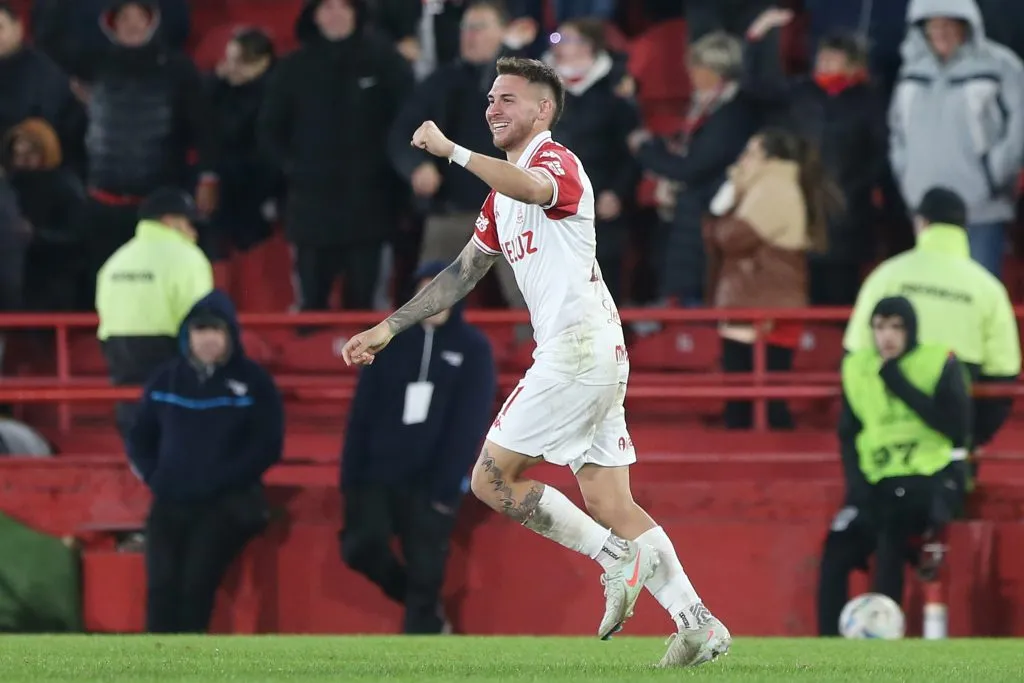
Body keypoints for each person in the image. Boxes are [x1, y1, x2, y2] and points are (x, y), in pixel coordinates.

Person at [341, 56, 730, 668]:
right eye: (490, 98)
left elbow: (534, 189)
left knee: (489, 481)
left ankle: (614, 560)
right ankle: (696, 622)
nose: (492, 107)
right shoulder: (501, 198)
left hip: (576, 351)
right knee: (610, 503)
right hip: (594, 352)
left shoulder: (554, 163)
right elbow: (464, 271)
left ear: (543, 109)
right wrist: (391, 325)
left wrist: (453, 152)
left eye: (508, 99)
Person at [340, 261, 496, 634]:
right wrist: (350, 477)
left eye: (442, 290)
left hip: (432, 480)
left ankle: (422, 636)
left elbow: (469, 422)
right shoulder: (389, 343)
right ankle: (423, 608)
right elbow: (362, 412)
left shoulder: (473, 348)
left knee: (427, 567)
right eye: (426, 290)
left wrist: (446, 485)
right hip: (379, 473)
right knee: (360, 546)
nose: (434, 299)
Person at [127, 289, 284, 633]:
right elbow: (139, 436)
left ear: (230, 334)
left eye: (216, 330)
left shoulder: (254, 382)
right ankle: (154, 663)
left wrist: (222, 479)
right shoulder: (164, 379)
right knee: (161, 584)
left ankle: (189, 659)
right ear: (188, 335)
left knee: (194, 584)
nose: (208, 339)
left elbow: (268, 444)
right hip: (170, 498)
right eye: (200, 330)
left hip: (224, 503)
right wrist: (155, 476)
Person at [818, 296, 970, 634]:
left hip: (929, 478)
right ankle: (826, 642)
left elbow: (956, 428)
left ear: (910, 330)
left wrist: (897, 382)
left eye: (896, 327)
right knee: (838, 541)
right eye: (880, 327)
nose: (887, 336)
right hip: (876, 483)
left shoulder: (937, 361)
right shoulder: (857, 368)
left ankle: (885, 633)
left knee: (893, 524)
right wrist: (857, 492)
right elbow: (848, 435)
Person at [844, 187, 1020, 472]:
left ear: (921, 223)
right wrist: (969, 438)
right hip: (952, 428)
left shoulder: (886, 276)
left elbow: (854, 356)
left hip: (885, 440)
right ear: (964, 228)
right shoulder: (987, 288)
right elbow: (1004, 371)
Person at [704, 127, 839, 430]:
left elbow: (732, 237)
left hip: (764, 304)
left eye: (751, 152)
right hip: (757, 298)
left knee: (759, 399)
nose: (742, 160)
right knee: (747, 394)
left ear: (770, 157)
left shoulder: (774, 188)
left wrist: (728, 201)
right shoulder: (767, 186)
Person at [889, 0, 1024, 278]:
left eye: (948, 23)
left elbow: (1020, 123)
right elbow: (897, 129)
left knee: (977, 294)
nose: (941, 32)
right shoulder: (910, 70)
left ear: (967, 25)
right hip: (925, 208)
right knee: (934, 296)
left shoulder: (1001, 65)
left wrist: (994, 173)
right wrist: (908, 177)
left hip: (981, 209)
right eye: (933, 25)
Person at [96, 187, 213, 443]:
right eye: (189, 224)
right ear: (170, 221)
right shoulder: (188, 257)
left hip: (116, 344)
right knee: (179, 417)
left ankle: (140, 467)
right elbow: (201, 313)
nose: (194, 233)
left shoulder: (118, 258)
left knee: (133, 410)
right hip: (167, 344)